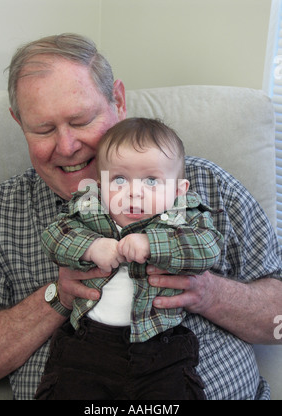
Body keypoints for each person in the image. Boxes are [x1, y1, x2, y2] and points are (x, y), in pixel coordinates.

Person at [0, 33, 281, 400]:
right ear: (18, 122)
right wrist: (57, 298)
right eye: (43, 128)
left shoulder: (207, 185)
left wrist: (208, 293)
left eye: (81, 120)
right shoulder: (1, 212)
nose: (67, 146)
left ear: (118, 101)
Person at [35, 117, 224, 400]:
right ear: (100, 185)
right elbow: (54, 236)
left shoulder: (182, 217)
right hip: (88, 344)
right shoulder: (90, 211)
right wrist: (92, 247)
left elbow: (207, 247)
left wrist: (152, 243)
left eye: (151, 180)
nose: (134, 192)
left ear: (178, 190)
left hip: (159, 347)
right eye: (119, 179)